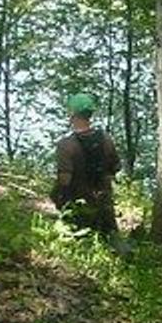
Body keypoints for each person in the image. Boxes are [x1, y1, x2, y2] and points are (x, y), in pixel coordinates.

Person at [52, 93, 120, 237]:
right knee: (111, 240)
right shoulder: (106, 139)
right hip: (104, 208)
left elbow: (65, 179)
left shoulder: (66, 145)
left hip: (79, 209)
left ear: (72, 114)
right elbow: (115, 168)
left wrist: (56, 196)